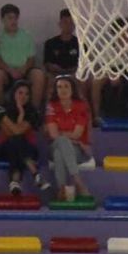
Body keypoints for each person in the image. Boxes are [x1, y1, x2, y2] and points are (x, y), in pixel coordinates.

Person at [0, 80, 42, 194]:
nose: (23, 96)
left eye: (27, 94)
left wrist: (22, 113)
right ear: (13, 94)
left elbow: (18, 132)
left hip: (28, 147)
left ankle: (15, 182)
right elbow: (14, 132)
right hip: (4, 148)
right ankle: (35, 173)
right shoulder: (0, 109)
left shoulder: (33, 112)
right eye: (20, 93)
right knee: (15, 141)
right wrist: (21, 113)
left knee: (17, 143)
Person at [43, 74, 91, 203]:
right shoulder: (51, 106)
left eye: (66, 86)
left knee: (60, 152)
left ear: (72, 89)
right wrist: (69, 137)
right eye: (59, 87)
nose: (63, 90)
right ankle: (78, 181)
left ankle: (61, 189)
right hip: (56, 146)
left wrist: (63, 134)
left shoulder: (81, 106)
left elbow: (77, 134)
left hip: (78, 150)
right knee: (61, 143)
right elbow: (53, 135)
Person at [0, 4, 43, 109]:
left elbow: (31, 59)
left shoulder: (27, 36)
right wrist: (10, 70)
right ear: (2, 19)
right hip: (6, 73)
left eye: (15, 18)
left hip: (24, 70)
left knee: (38, 74)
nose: (13, 21)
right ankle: (0, 113)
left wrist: (23, 69)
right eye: (9, 18)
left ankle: (34, 111)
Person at [42, 9, 84, 108]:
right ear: (60, 24)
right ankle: (48, 111)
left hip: (74, 73)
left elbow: (83, 64)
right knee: (50, 81)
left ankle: (82, 110)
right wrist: (57, 69)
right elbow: (47, 63)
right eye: (65, 22)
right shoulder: (51, 43)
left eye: (71, 23)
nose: (68, 25)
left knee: (82, 80)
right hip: (55, 73)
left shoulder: (80, 43)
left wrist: (71, 71)